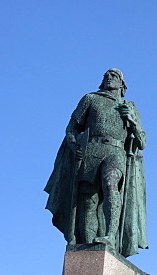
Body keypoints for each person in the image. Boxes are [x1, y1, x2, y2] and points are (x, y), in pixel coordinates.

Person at [45, 69, 148, 257]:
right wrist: (74, 143)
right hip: (91, 151)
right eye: (106, 75)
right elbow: (71, 128)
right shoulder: (90, 99)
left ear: (122, 85)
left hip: (115, 152)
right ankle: (87, 244)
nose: (109, 78)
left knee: (110, 185)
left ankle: (110, 235)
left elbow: (142, 141)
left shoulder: (129, 107)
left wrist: (132, 121)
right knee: (88, 201)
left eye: (114, 76)